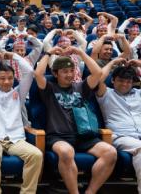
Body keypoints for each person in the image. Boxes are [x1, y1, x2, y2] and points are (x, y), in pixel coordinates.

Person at [34, 46, 117, 194]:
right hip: (59, 137)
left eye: (72, 71)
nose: (69, 74)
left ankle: (90, 191)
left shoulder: (80, 87)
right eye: (65, 71)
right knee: (66, 152)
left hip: (84, 136)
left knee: (110, 152)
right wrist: (49, 53)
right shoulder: (50, 89)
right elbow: (38, 73)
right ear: (55, 73)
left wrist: (80, 53)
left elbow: (97, 73)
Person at [0, 51, 43, 194]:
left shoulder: (19, 92)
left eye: (10, 78)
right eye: (2, 78)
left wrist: (13, 56)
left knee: (36, 155)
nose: (7, 81)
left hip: (15, 139)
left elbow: (29, 71)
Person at [96, 58, 141, 193]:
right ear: (113, 80)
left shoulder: (138, 94)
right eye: (121, 80)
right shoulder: (106, 94)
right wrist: (112, 63)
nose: (125, 84)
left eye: (128, 81)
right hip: (121, 137)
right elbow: (98, 78)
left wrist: (139, 64)